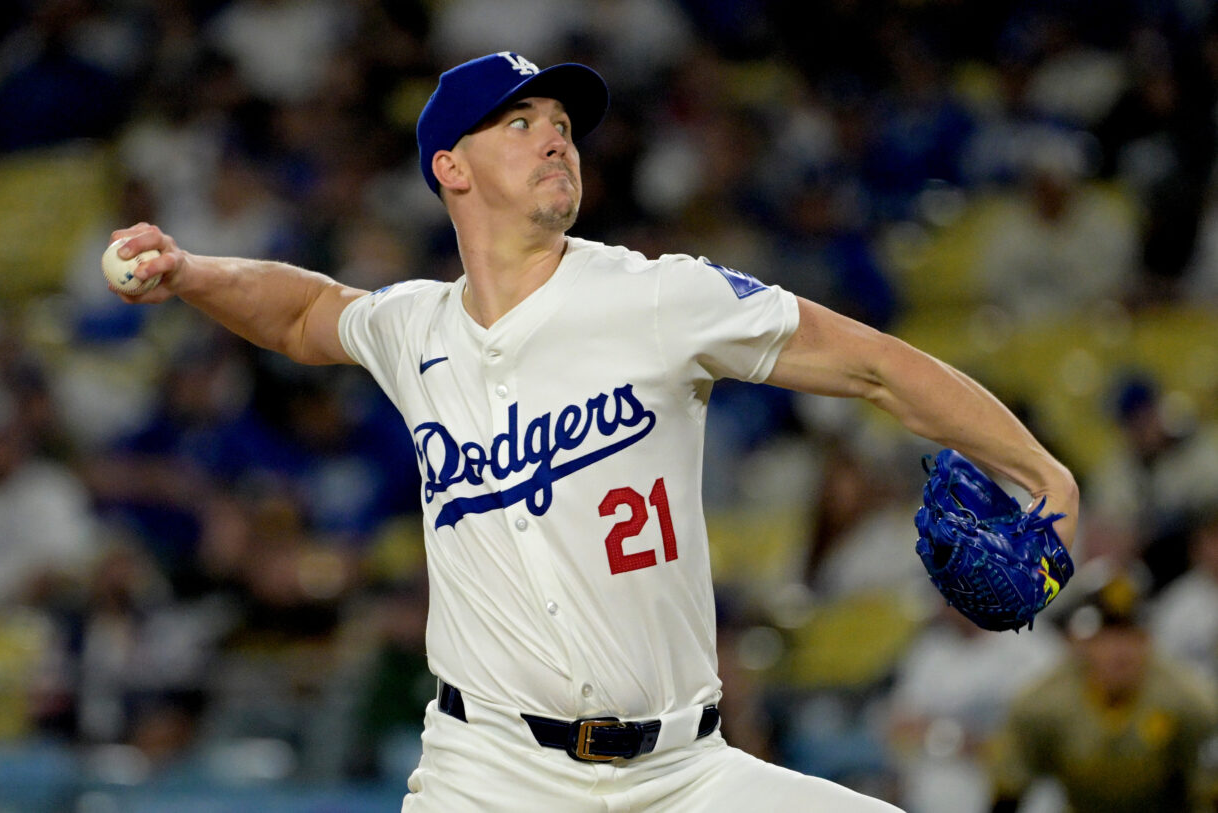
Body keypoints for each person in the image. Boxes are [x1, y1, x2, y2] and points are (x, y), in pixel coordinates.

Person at [106, 50, 1078, 812]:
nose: (555, 138)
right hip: (488, 774)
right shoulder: (415, 329)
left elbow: (873, 365)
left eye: (563, 125)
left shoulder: (658, 297)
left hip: (684, 775)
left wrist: (1040, 473)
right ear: (450, 166)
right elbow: (301, 314)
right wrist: (191, 272)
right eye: (520, 122)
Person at [987, 570, 1218, 813]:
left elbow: (1209, 790)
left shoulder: (1189, 701)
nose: (1120, 652)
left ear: (1148, 641)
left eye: (1130, 636)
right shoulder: (1043, 704)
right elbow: (1009, 785)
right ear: (1081, 643)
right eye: (1106, 638)